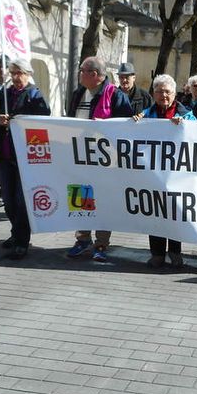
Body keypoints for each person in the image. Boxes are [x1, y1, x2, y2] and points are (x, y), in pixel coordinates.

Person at [66, 56, 133, 262]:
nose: (79, 74)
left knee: (104, 201)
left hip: (105, 161)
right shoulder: (78, 94)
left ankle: (101, 243)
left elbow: (126, 126)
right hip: (80, 157)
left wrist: (104, 127)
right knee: (80, 197)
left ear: (93, 74)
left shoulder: (115, 95)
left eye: (82, 70)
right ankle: (82, 238)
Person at [0, 58, 51, 259]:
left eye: (19, 73)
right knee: (8, 201)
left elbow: (43, 122)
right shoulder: (3, 94)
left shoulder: (34, 95)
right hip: (4, 155)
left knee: (22, 202)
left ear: (28, 74)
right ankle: (16, 233)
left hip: (24, 158)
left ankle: (22, 241)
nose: (15, 77)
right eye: (13, 73)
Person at [133, 74, 195, 270]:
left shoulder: (186, 114)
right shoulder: (146, 115)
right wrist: (133, 124)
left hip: (178, 174)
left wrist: (186, 125)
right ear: (153, 94)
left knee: (175, 214)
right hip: (154, 174)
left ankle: (175, 253)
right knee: (156, 214)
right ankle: (157, 254)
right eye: (159, 92)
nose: (163, 95)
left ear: (174, 94)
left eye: (167, 92)